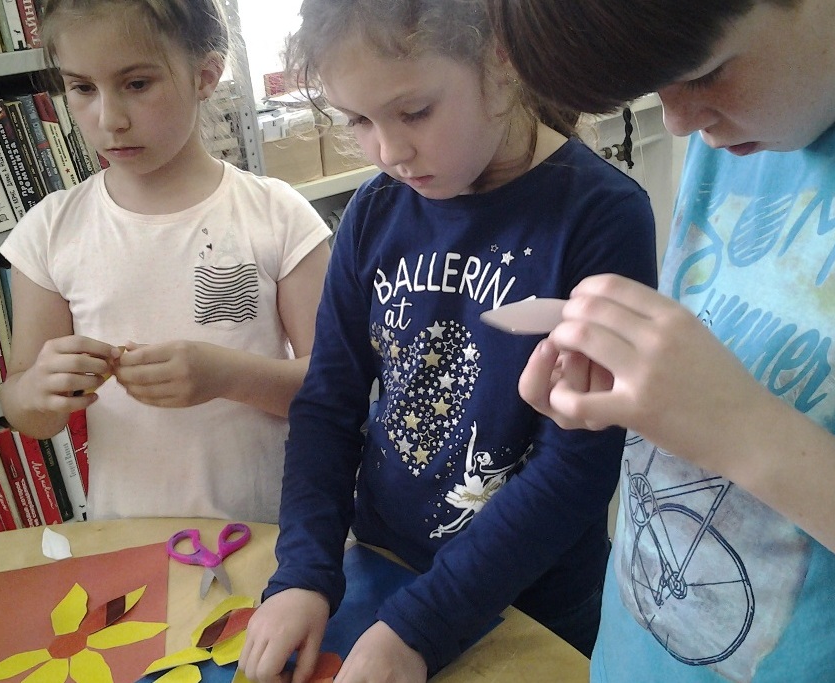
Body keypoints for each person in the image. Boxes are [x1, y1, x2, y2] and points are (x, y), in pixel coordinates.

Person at [237, 1, 658, 681]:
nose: (388, 152)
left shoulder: (601, 216)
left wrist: (423, 625)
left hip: (532, 600)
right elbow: (327, 406)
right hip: (389, 569)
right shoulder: (373, 213)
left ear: (502, 60)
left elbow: (578, 466)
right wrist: (303, 572)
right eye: (358, 121)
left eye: (414, 112)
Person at [488, 0, 835, 681]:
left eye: (705, 74)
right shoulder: (738, 130)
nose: (677, 122)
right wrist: (639, 386)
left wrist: (739, 428)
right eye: (656, 89)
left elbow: (738, 420)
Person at [0, 0, 331, 521]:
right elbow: (29, 412)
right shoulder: (50, 231)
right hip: (130, 536)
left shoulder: (277, 215)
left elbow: (335, 389)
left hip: (273, 531)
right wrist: (40, 390)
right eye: (82, 88)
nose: (109, 119)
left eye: (137, 84)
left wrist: (230, 377)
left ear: (206, 76)